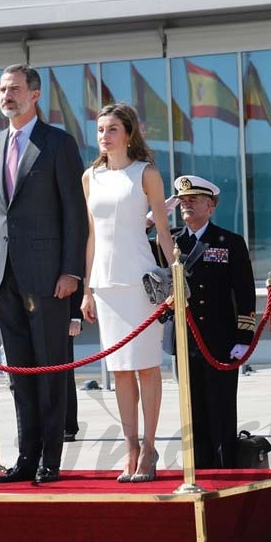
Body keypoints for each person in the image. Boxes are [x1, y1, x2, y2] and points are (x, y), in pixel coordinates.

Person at [0, 64, 87, 485]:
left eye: (15, 89)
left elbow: (75, 214)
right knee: (18, 370)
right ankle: (25, 455)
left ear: (35, 95)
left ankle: (50, 459)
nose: (7, 95)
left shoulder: (57, 143)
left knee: (50, 369)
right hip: (3, 276)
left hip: (49, 278)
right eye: (2, 89)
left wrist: (71, 272)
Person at [80, 104, 174, 481]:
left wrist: (176, 277)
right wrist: (87, 289)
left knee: (147, 368)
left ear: (129, 133)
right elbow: (91, 236)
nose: (105, 135)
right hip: (105, 284)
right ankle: (130, 447)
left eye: (113, 129)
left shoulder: (146, 173)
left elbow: (163, 232)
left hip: (140, 281)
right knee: (119, 371)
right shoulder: (90, 177)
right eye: (101, 129)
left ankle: (150, 448)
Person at [154, 174, 256, 469]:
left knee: (221, 409)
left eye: (193, 200)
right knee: (193, 410)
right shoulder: (170, 240)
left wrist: (243, 337)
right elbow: (132, 241)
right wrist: (156, 214)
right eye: (182, 201)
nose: (186, 206)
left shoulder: (230, 242)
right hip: (185, 339)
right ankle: (198, 469)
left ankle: (225, 470)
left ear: (210, 207)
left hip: (220, 340)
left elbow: (245, 293)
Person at [64, 285, 82, 442]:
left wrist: (76, 316)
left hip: (62, 313)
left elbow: (74, 270)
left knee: (64, 373)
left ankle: (67, 426)